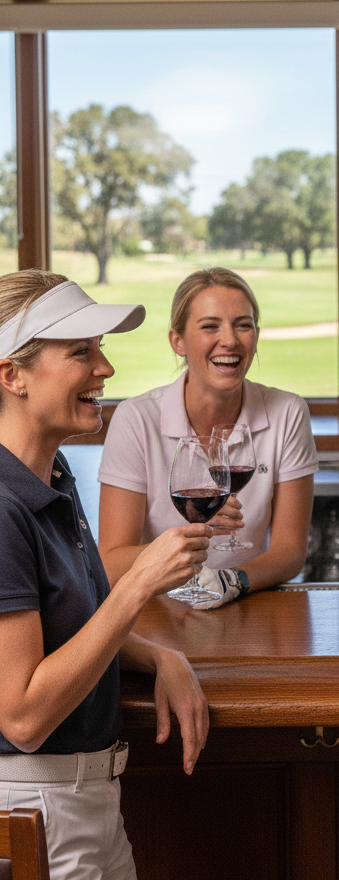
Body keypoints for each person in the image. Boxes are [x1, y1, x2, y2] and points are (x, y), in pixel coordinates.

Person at [0, 270, 212, 880]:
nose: (105, 368)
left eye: (101, 350)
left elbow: (74, 630)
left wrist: (158, 655)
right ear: (12, 374)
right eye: (81, 353)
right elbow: (23, 716)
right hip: (34, 811)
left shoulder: (53, 476)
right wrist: (139, 584)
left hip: (85, 803)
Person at [98, 267, 318, 609]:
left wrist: (232, 580)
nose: (229, 339)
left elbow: (290, 552)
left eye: (243, 325)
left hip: (247, 606)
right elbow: (110, 566)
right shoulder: (136, 419)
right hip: (157, 613)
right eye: (210, 326)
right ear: (178, 341)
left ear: (256, 336)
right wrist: (192, 532)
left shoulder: (287, 412)